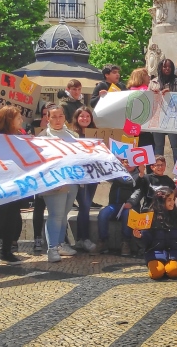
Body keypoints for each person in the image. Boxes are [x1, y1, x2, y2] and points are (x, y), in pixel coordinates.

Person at [36, 105, 82, 263]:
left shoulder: (73, 134)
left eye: (60, 116)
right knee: (55, 215)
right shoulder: (43, 137)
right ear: (47, 118)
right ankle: (52, 248)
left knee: (63, 215)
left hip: (72, 180)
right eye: (54, 116)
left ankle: (61, 244)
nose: (57, 120)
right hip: (53, 181)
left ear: (65, 117)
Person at [135, 187, 177, 279]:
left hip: (173, 253)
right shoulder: (150, 217)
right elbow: (146, 242)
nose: (172, 202)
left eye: (173, 199)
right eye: (169, 200)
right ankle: (156, 266)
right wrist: (139, 237)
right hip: (154, 253)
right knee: (157, 274)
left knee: (173, 272)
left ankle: (168, 267)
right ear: (161, 201)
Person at [97, 159, 143, 255]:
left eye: (131, 162)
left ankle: (125, 242)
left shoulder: (140, 176)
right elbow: (104, 174)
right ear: (122, 163)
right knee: (103, 213)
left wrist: (131, 202)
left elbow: (138, 191)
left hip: (130, 206)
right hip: (114, 205)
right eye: (126, 162)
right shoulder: (116, 173)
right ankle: (103, 241)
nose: (129, 164)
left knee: (128, 214)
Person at [71, 107, 99, 253]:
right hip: (79, 176)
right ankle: (84, 239)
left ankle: (82, 240)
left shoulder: (96, 134)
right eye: (82, 116)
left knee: (85, 207)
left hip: (94, 175)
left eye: (87, 116)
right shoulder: (71, 135)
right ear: (76, 117)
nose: (85, 118)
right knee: (85, 205)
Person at [149, 58, 177, 162]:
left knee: (176, 146)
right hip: (158, 118)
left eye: (170, 67)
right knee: (158, 146)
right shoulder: (153, 82)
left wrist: (172, 93)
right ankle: (157, 171)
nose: (167, 69)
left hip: (173, 118)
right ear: (160, 68)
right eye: (165, 66)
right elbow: (148, 100)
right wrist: (153, 94)